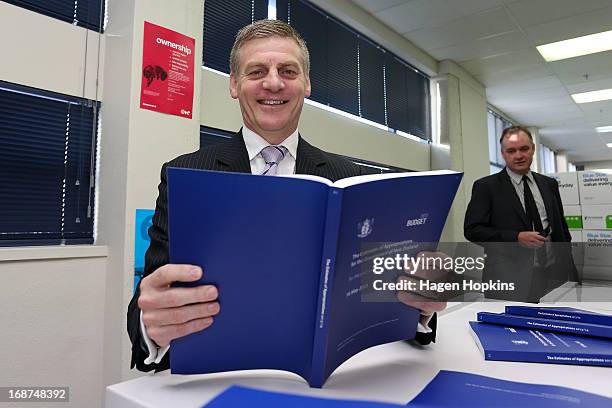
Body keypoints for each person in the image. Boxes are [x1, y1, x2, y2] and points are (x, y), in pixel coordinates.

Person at [127, 20, 445, 372]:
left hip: (328, 381)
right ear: (234, 84)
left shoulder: (352, 179)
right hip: (215, 376)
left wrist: (419, 307)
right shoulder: (184, 175)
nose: (274, 82)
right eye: (257, 71)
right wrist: (150, 327)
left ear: (307, 84)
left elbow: (375, 293)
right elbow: (149, 301)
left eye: (288, 71)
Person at [464, 126, 577, 301]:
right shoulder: (486, 187)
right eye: (511, 150)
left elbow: (561, 228)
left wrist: (571, 271)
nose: (518, 155)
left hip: (554, 274)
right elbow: (473, 230)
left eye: (524, 149)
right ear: (503, 154)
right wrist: (515, 237)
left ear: (533, 149)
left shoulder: (549, 184)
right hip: (509, 277)